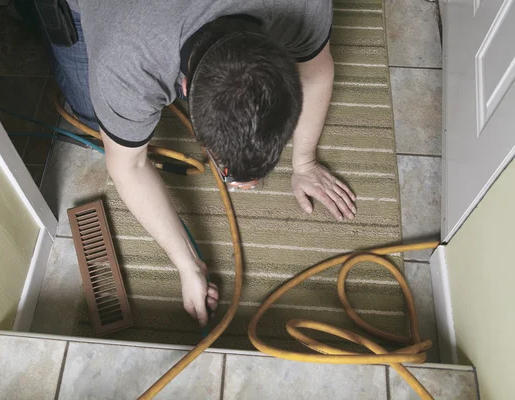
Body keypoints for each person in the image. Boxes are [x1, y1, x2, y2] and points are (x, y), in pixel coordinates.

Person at [45, 0, 357, 328]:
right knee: (91, 116)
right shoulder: (124, 63)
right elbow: (128, 167)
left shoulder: (303, 6)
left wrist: (305, 163)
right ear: (183, 87)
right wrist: (187, 265)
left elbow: (316, 71)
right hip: (111, 15)